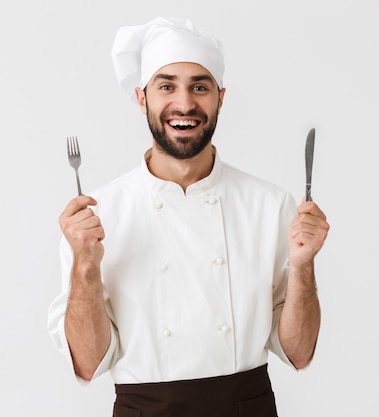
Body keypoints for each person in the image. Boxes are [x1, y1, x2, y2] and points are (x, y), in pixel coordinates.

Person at [47, 16, 329, 417]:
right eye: (166, 86)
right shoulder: (95, 217)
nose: (184, 104)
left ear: (220, 97)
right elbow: (89, 364)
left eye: (200, 86)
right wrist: (85, 268)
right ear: (142, 98)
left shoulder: (271, 205)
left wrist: (302, 267)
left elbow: (299, 354)